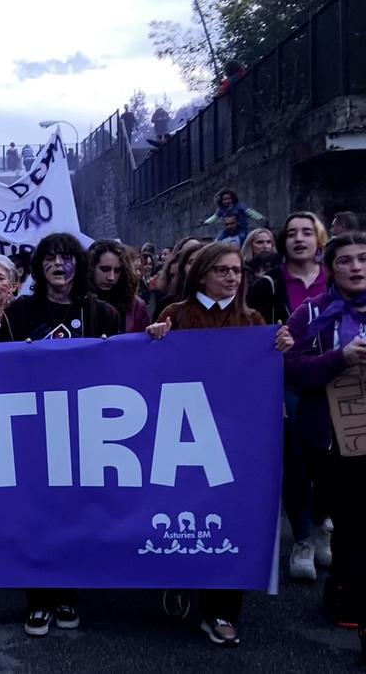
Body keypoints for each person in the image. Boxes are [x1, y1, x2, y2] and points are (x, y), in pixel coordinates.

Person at [147, 242, 293, 648]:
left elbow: (266, 376)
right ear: (202, 274)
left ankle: (223, 610)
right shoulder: (174, 316)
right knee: (181, 512)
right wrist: (153, 339)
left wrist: (279, 348)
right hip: (182, 434)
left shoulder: (253, 320)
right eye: (222, 270)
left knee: (229, 518)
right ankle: (179, 579)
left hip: (235, 436)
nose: (232, 277)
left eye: (237, 271)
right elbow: (152, 371)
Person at [0, 234, 121, 639]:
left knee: (77, 514)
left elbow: (124, 369)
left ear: (78, 265)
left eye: (67, 258)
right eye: (50, 258)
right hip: (35, 430)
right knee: (37, 516)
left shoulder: (102, 313)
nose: (59, 265)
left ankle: (69, 595)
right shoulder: (18, 313)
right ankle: (38, 601)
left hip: (87, 431)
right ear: (39, 267)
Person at [283, 231, 366, 668]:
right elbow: (293, 369)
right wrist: (340, 359)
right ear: (331, 269)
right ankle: (346, 598)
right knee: (352, 522)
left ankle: (346, 593)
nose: (356, 267)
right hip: (333, 438)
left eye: (364, 259)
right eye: (346, 260)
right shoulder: (311, 314)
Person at [246, 213, 333, 581]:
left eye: (307, 232)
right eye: (292, 233)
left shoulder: (338, 278)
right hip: (289, 383)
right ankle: (301, 539)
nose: (299, 239)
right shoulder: (268, 286)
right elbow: (251, 334)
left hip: (337, 382)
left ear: (320, 239)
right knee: (296, 457)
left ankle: (321, 521)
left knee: (333, 460)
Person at [89, 240, 151, 334]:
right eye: (105, 269)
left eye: (117, 271)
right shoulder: (72, 302)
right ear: (90, 267)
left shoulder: (136, 306)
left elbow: (144, 345)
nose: (111, 277)